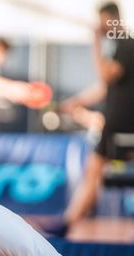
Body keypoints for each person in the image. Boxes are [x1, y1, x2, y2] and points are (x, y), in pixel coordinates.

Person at [55, 2, 134, 235]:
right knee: (93, 172)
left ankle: (68, 223)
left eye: (102, 22)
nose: (99, 27)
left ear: (111, 19)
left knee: (94, 171)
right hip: (119, 123)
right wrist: (74, 102)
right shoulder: (121, 46)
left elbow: (106, 76)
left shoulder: (126, 44)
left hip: (122, 123)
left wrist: (96, 43)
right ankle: (68, 223)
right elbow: (104, 87)